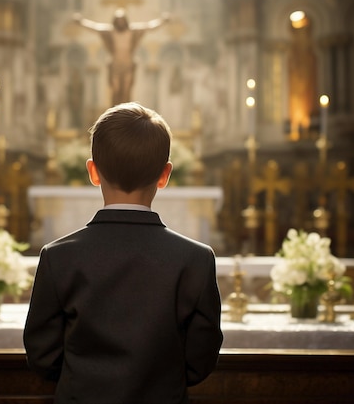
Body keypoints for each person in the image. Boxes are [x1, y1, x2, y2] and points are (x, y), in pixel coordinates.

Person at [24, 102, 223, 404]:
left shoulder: (58, 257)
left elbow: (42, 354)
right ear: (165, 175)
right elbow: (201, 359)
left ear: (92, 171)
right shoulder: (196, 259)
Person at [73, 9, 170, 105]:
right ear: (115, 21)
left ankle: (126, 113)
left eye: (122, 20)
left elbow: (149, 26)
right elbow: (94, 27)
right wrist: (81, 22)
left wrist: (162, 21)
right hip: (115, 66)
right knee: (116, 90)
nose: (120, 23)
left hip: (128, 65)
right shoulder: (110, 32)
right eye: (118, 20)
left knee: (126, 91)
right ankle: (115, 113)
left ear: (125, 21)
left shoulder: (133, 31)